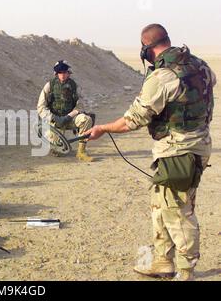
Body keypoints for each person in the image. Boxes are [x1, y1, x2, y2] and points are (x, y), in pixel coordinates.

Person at [84, 24, 216, 281]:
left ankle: (186, 271)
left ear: (146, 49)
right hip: (195, 145)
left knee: (179, 211)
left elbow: (131, 120)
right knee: (160, 204)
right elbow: (207, 88)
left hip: (178, 151)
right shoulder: (200, 65)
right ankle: (162, 262)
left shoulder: (162, 77)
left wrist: (102, 129)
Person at [37, 60, 94, 161]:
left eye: (64, 72)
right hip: (56, 121)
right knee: (57, 152)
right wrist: (54, 118)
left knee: (86, 119)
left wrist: (69, 116)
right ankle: (55, 142)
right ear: (56, 74)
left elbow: (81, 104)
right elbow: (41, 107)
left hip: (70, 118)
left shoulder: (74, 86)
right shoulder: (49, 85)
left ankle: (81, 152)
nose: (62, 75)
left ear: (68, 73)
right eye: (60, 72)